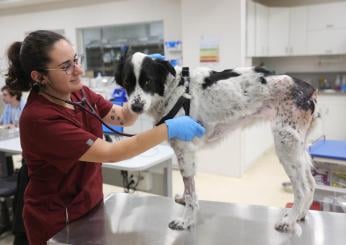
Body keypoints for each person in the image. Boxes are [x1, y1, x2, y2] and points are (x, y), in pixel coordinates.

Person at [5, 30, 205, 245]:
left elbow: (123, 117)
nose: (79, 70)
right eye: (66, 67)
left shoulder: (78, 94)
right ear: (39, 76)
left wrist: (140, 86)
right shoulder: (39, 119)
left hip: (90, 205)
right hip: (57, 220)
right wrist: (168, 128)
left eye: (75, 60)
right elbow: (111, 153)